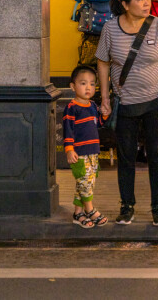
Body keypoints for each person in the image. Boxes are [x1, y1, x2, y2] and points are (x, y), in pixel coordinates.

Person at [96, 0, 158, 227]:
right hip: (126, 103)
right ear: (124, 4)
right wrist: (105, 97)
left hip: (157, 102)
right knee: (126, 156)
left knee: (156, 154)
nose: (146, 2)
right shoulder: (110, 29)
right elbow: (102, 61)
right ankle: (127, 205)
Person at [63, 65, 108, 229]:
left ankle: (78, 213)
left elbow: (100, 124)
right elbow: (68, 130)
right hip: (79, 153)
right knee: (85, 181)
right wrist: (69, 149)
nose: (88, 87)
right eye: (83, 83)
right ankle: (89, 210)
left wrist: (104, 113)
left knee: (85, 182)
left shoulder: (93, 107)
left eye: (92, 83)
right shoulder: (71, 107)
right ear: (73, 86)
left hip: (93, 151)